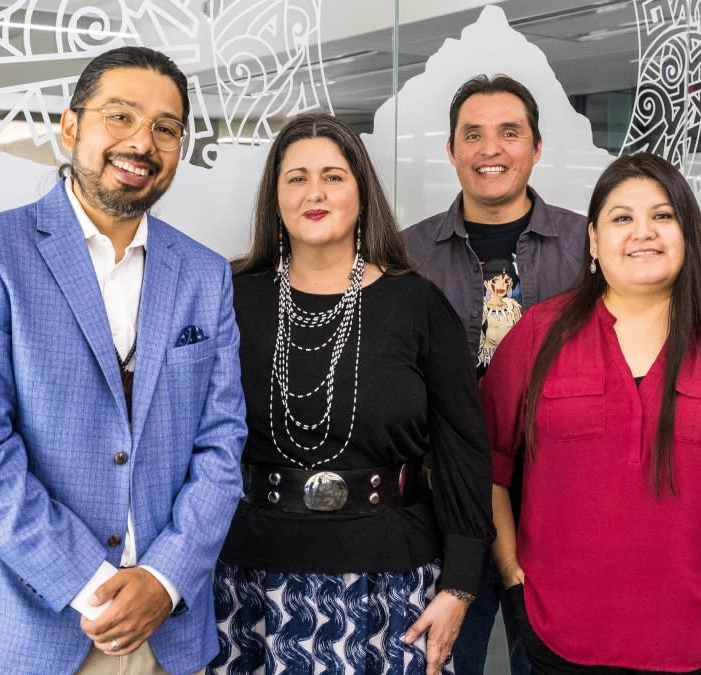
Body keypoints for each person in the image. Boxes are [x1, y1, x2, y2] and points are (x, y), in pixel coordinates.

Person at [0, 46, 246, 675]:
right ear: (71, 127)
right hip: (26, 628)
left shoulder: (204, 274)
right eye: (119, 117)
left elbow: (222, 445)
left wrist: (164, 578)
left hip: (166, 631)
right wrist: (92, 583)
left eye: (165, 127)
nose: (142, 142)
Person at [482, 152, 701, 674]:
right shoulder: (538, 335)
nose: (643, 232)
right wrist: (512, 573)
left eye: (663, 216)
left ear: (688, 233)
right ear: (594, 242)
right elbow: (486, 463)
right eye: (622, 217)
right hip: (560, 639)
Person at [208, 112, 494, 675]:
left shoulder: (418, 305)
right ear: (275, 197)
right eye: (296, 178)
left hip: (393, 585)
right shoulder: (228, 298)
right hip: (249, 583)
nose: (315, 192)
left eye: (334, 176)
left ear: (362, 193)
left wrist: (459, 586)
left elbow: (463, 451)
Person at [404, 73, 588, 675]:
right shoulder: (408, 255)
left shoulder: (586, 246)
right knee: (445, 663)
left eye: (510, 133)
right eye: (473, 135)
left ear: (537, 147)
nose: (491, 150)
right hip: (446, 507)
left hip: (561, 506)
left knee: (560, 662)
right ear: (452, 150)